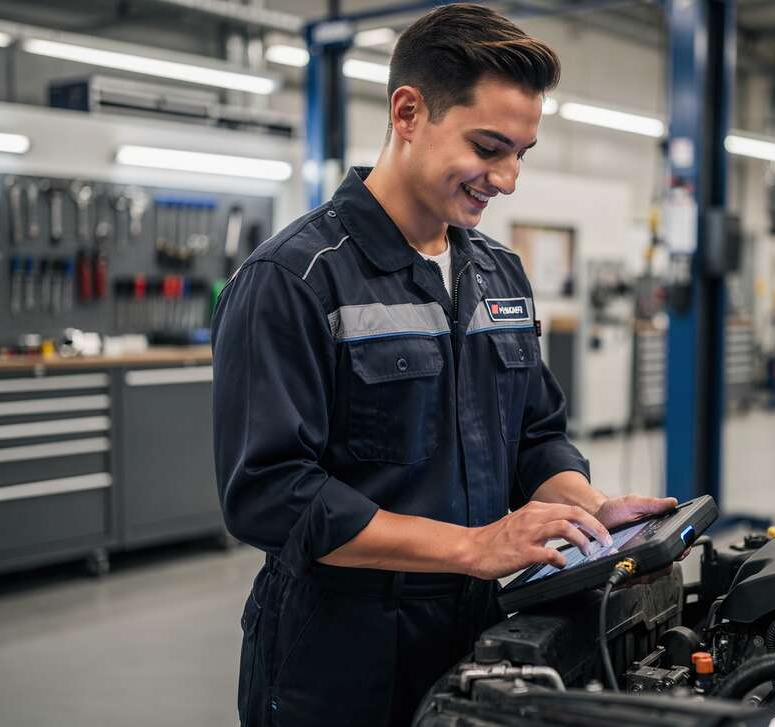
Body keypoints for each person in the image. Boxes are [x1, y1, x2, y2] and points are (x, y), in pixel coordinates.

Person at [211, 5, 676, 725]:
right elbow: (271, 495)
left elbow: (534, 434)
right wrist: (474, 545)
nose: (508, 178)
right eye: (489, 147)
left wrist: (586, 509)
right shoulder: (294, 279)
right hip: (341, 656)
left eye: (522, 152)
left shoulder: (499, 274)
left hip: (480, 630)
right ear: (407, 113)